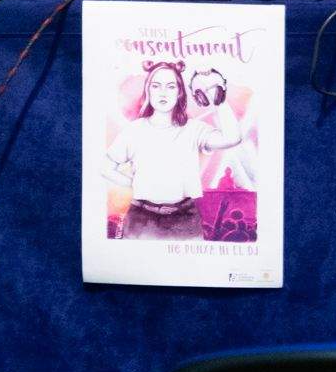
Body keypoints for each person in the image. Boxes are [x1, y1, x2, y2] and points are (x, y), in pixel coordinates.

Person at [103, 61, 244, 240]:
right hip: (141, 221)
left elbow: (233, 138)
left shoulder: (194, 130)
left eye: (170, 86)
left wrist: (218, 97)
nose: (162, 92)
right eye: (156, 86)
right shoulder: (134, 131)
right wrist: (134, 182)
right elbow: (106, 168)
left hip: (186, 220)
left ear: (179, 93)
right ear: (148, 91)